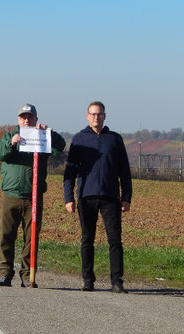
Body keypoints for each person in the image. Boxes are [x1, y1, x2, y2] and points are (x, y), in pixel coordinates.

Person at [63, 101, 132, 293]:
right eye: (93, 114)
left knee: (115, 240)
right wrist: (68, 198)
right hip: (86, 196)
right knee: (87, 239)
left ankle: (117, 282)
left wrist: (126, 197)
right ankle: (88, 280)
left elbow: (124, 170)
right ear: (87, 116)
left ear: (105, 116)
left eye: (99, 114)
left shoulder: (114, 139)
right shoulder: (78, 139)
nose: (96, 117)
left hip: (110, 196)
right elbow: (69, 172)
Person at [0, 103, 66, 287]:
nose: (26, 120)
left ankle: (27, 275)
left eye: (30, 117)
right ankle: (5, 273)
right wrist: (12, 143)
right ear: (18, 119)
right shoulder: (10, 136)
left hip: (33, 196)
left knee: (31, 237)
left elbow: (60, 146)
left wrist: (49, 132)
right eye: (23, 117)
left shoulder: (42, 136)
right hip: (11, 194)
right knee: (7, 235)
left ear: (35, 119)